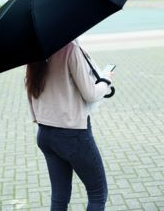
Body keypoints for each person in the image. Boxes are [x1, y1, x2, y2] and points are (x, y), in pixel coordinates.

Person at [25, 40, 114, 211]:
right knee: (98, 194)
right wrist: (105, 81)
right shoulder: (70, 49)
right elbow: (90, 94)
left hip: (45, 134)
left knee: (59, 197)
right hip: (73, 135)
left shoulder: (34, 50)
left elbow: (31, 92)